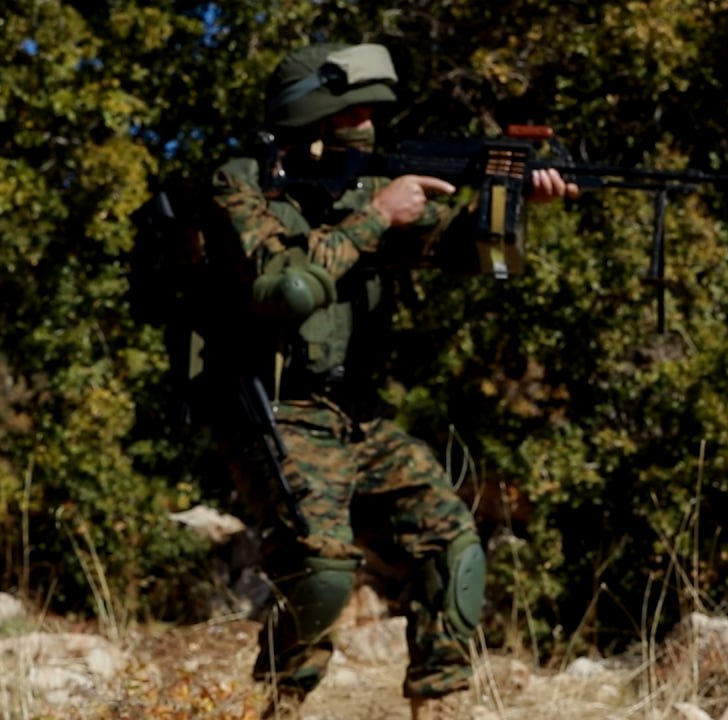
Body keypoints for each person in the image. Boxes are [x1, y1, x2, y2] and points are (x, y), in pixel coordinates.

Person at [193, 42, 578, 720]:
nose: (368, 124)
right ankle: (276, 707)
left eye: (374, 111)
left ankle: (440, 705)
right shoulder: (241, 183)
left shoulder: (372, 185)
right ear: (314, 117)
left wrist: (516, 198)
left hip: (356, 415)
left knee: (451, 546)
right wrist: (377, 216)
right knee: (321, 571)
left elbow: (464, 249)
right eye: (355, 112)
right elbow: (284, 290)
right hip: (277, 412)